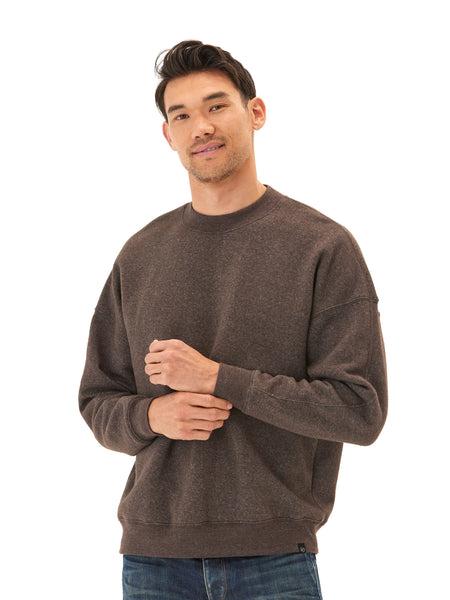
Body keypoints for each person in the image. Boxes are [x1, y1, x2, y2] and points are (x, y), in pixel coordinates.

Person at [79, 40, 388, 600]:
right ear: (168, 135)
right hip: (152, 558)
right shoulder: (140, 254)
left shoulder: (322, 247)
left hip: (274, 557)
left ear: (256, 112)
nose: (201, 126)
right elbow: (97, 400)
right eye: (181, 115)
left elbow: (359, 410)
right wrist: (151, 415)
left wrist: (219, 379)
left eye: (217, 106)